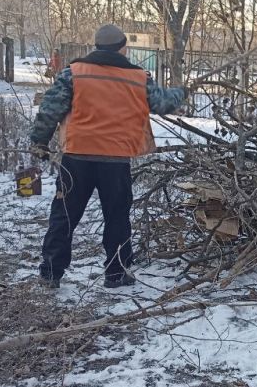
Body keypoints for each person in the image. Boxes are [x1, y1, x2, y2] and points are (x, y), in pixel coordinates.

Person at [30, 24, 186, 289]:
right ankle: (116, 273)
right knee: (117, 217)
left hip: (77, 157)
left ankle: (51, 273)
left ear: (97, 46)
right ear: (123, 47)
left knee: (64, 215)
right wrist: (183, 91)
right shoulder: (138, 77)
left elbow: (51, 108)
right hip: (115, 159)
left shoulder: (75, 72)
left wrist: (39, 142)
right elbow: (163, 104)